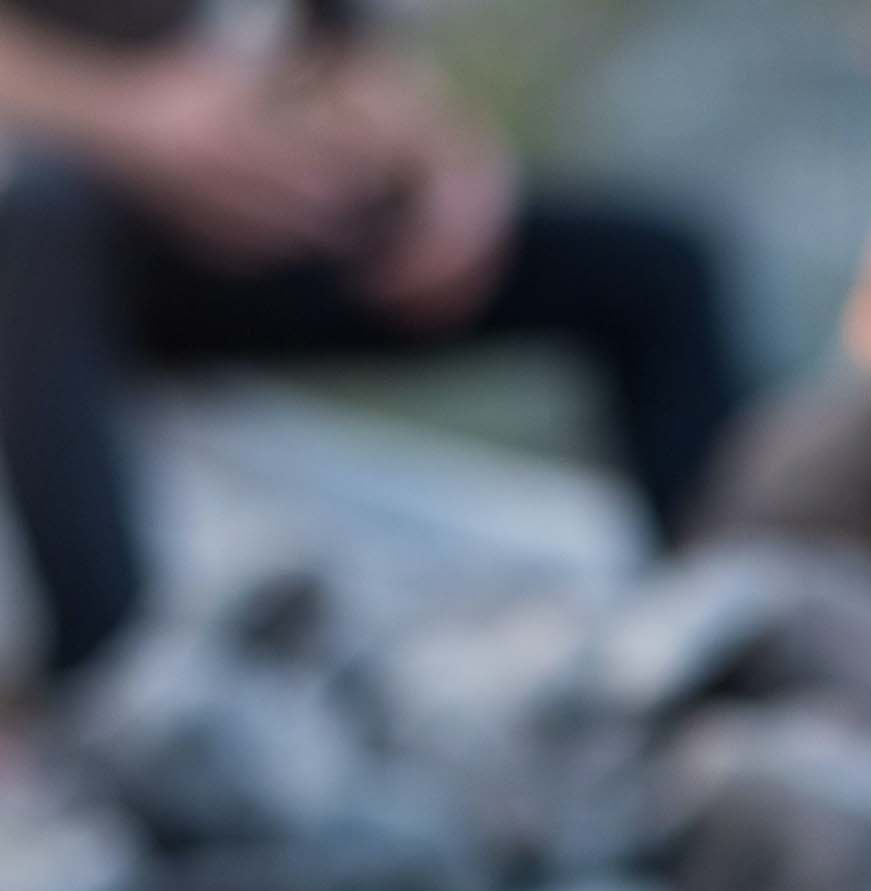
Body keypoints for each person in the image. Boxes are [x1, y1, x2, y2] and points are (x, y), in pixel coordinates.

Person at [0, 0, 739, 677]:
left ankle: (744, 642)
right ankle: (115, 692)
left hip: (238, 223)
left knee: (657, 266)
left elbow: (352, 54)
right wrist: (127, 120)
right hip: (55, 238)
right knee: (36, 222)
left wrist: (449, 173)